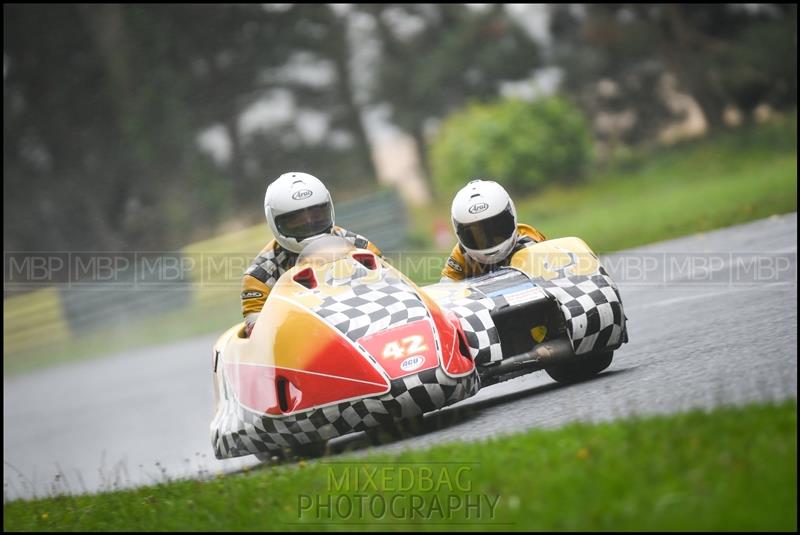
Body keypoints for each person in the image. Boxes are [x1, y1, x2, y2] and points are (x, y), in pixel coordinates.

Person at [241, 172, 382, 335]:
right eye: (296, 221)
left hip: (364, 328)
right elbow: (258, 334)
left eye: (316, 215)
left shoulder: (360, 247)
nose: (309, 224)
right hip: (302, 343)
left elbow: (393, 288)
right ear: (274, 222)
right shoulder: (259, 276)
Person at [440, 179, 546, 282]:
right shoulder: (461, 254)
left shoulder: (528, 239)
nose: (486, 238)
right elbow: (445, 290)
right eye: (475, 232)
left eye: (495, 226)